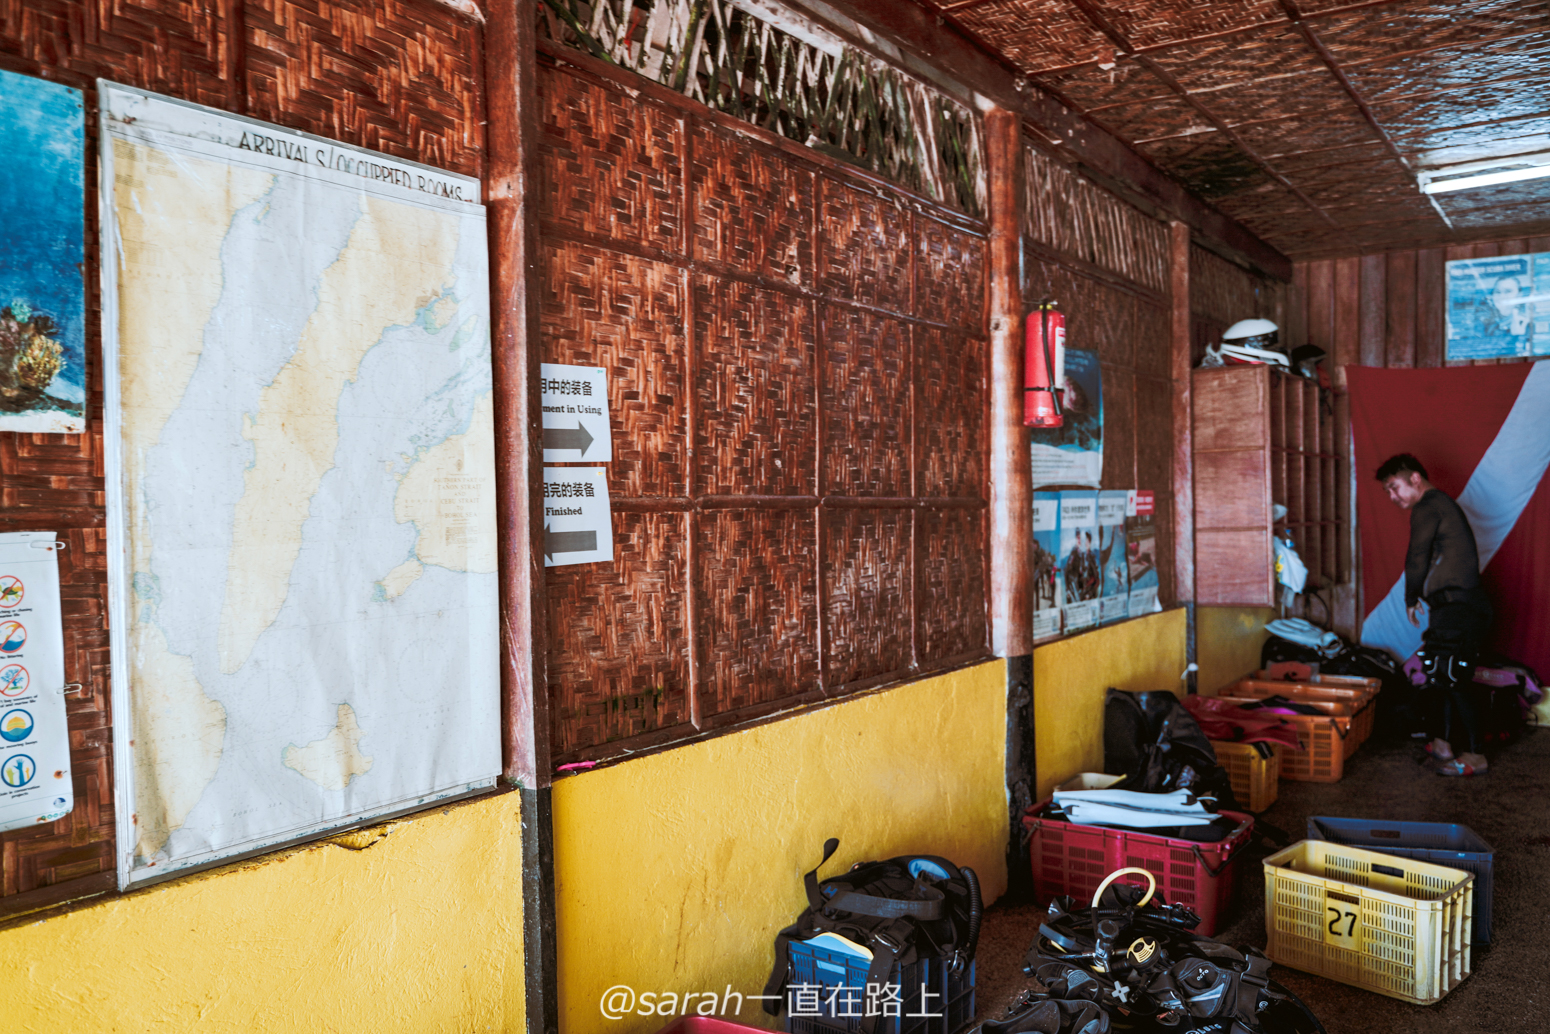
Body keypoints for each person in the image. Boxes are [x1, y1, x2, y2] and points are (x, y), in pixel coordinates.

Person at [1376, 453, 1494, 775]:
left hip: (1462, 606)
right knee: (1439, 677)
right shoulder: (1436, 506)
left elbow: (1417, 556)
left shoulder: (1429, 504)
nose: (1392, 496)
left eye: (1394, 487)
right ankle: (1442, 745)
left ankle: (1476, 755)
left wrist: (1410, 597)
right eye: (1387, 491)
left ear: (1415, 478)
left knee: (1454, 677)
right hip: (1448, 607)